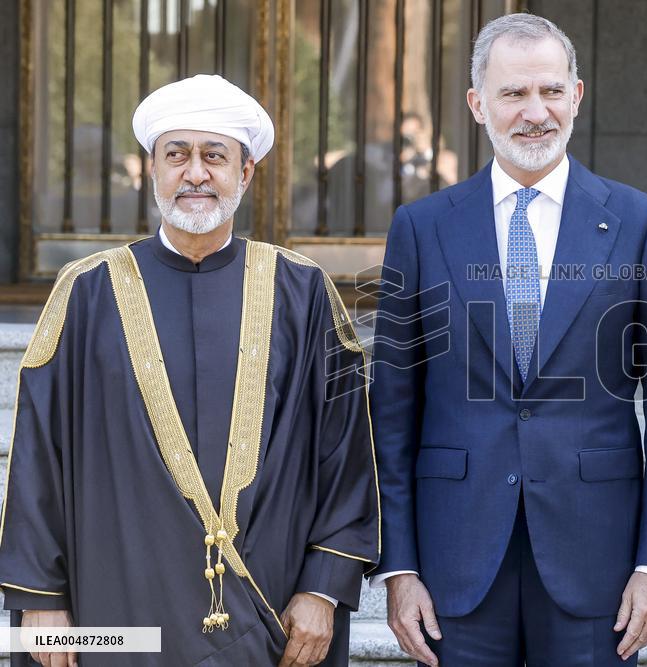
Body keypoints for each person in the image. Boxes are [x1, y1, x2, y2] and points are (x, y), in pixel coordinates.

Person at [0, 74, 380, 667]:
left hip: (273, 612)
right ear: (151, 169)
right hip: (119, 611)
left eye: (215, 156)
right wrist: (42, 600)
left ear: (246, 173)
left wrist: (323, 587)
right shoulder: (86, 292)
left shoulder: (303, 293)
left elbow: (345, 451)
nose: (195, 174)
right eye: (177, 155)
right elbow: (38, 456)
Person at [370, 13, 647, 667]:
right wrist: (397, 565)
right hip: (454, 558)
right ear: (477, 105)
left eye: (550, 90)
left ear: (577, 95)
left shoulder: (641, 224)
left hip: (598, 560)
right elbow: (393, 411)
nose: (535, 112)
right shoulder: (421, 228)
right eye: (513, 93)